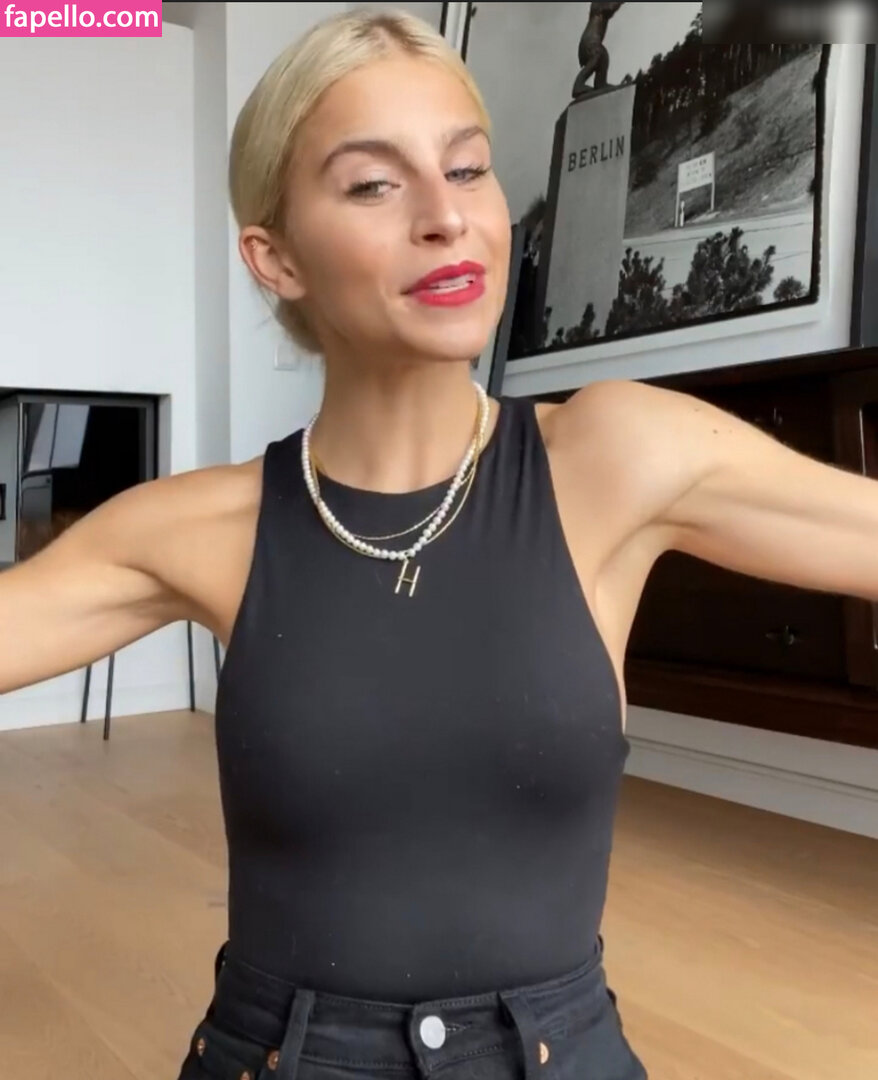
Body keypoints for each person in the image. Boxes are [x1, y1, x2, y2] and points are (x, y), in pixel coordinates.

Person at [2, 9, 876, 1080]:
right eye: (374, 185)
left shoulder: (617, 458)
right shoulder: (198, 527)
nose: (446, 217)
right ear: (275, 257)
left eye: (467, 169)